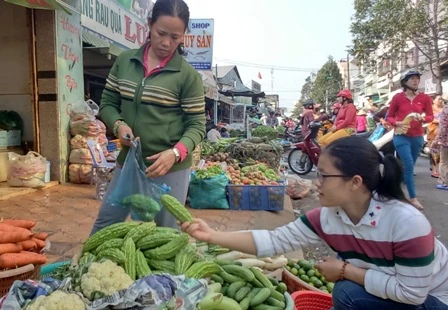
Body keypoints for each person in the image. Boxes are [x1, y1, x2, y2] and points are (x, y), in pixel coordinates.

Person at [181, 136, 448, 310]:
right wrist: (211, 236)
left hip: (432, 300)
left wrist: (345, 271)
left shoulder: (407, 224)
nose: (317, 183)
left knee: (346, 293)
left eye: (324, 175)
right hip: (394, 291)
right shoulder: (328, 217)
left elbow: (412, 294)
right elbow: (273, 241)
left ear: (355, 182)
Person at [91, 0, 205, 233]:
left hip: (170, 168)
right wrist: (119, 124)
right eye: (161, 33)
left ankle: (163, 272)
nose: (166, 43)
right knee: (106, 223)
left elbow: (197, 125)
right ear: (150, 24)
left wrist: (175, 154)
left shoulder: (187, 76)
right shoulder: (125, 61)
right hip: (129, 162)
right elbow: (108, 104)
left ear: (183, 36)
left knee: (166, 233)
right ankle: (87, 267)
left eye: (175, 37)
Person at [386, 70, 433, 210]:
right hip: (401, 136)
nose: (416, 81)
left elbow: (430, 116)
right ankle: (412, 198)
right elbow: (389, 116)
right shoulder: (397, 98)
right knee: (408, 164)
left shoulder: (424, 98)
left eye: (417, 79)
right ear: (405, 82)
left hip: (417, 138)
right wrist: (396, 123)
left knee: (407, 167)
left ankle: (392, 189)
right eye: (412, 79)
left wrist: (423, 118)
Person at [427, 94, 445, 178]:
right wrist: (438, 121)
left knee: (442, 152)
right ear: (433, 100)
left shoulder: (444, 109)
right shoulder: (430, 108)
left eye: (441, 99)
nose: (440, 101)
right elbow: (429, 118)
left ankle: (440, 170)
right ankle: (434, 170)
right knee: (433, 151)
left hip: (443, 133)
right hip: (433, 132)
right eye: (439, 99)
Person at [433, 99, 448, 190]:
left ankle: (445, 182)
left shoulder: (446, 110)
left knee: (444, 162)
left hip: (446, 141)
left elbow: (442, 128)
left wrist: (436, 141)